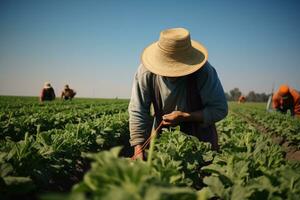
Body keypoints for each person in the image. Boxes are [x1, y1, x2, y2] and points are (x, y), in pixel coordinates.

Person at [128, 28, 228, 160]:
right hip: (162, 141)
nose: (171, 74)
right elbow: (138, 110)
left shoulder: (204, 72)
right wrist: (138, 147)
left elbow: (220, 109)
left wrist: (186, 116)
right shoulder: (146, 72)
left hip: (200, 145)